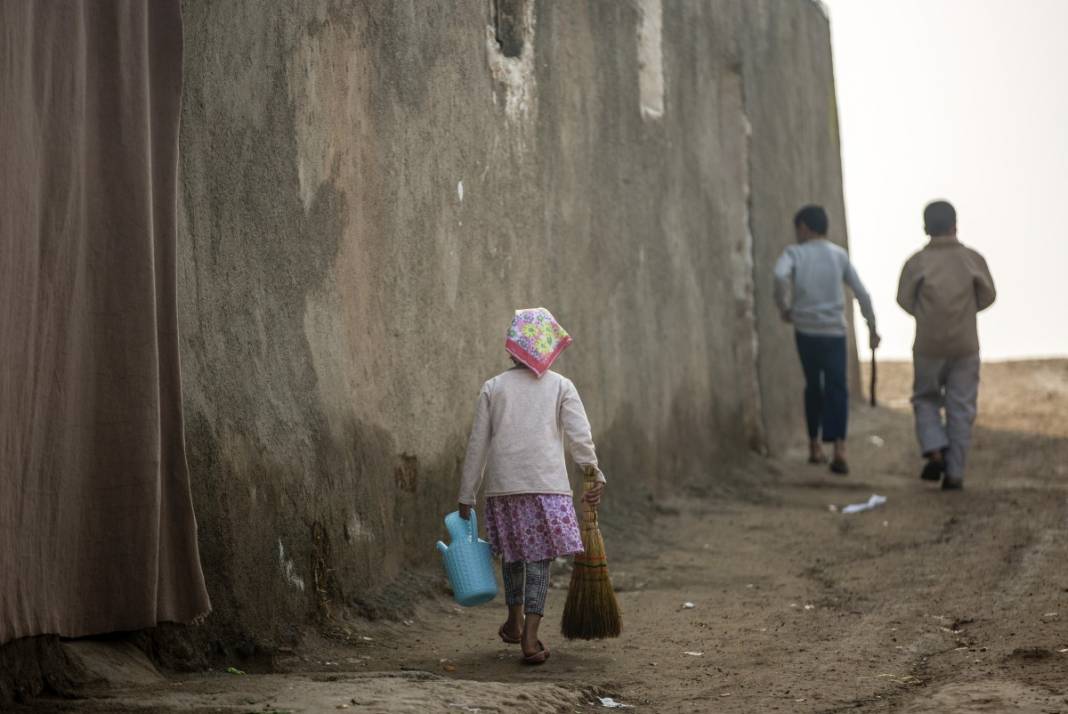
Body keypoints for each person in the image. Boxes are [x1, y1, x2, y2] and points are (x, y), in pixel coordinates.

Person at [457, 307, 606, 665]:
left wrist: (466, 494)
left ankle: (513, 618)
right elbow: (579, 435)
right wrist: (592, 469)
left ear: (513, 346)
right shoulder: (561, 386)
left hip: (505, 490)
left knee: (513, 558)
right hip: (548, 489)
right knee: (540, 562)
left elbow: (477, 444)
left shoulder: (494, 387)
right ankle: (530, 637)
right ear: (551, 346)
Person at [897, 200, 996, 491]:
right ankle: (954, 473)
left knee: (925, 399)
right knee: (961, 407)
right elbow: (988, 295)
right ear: (956, 224)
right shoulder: (972, 259)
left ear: (925, 227)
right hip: (965, 344)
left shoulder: (917, 262)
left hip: (927, 345)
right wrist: (965, 311)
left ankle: (935, 448)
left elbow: (903, 299)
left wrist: (926, 314)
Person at [774, 205, 880, 474]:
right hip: (834, 332)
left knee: (813, 387)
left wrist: (784, 307)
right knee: (837, 388)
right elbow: (861, 292)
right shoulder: (839, 256)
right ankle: (840, 450)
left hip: (806, 330)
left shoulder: (794, 253)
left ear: (806, 227)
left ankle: (814, 445)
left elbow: (778, 275)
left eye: (798, 228)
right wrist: (871, 325)